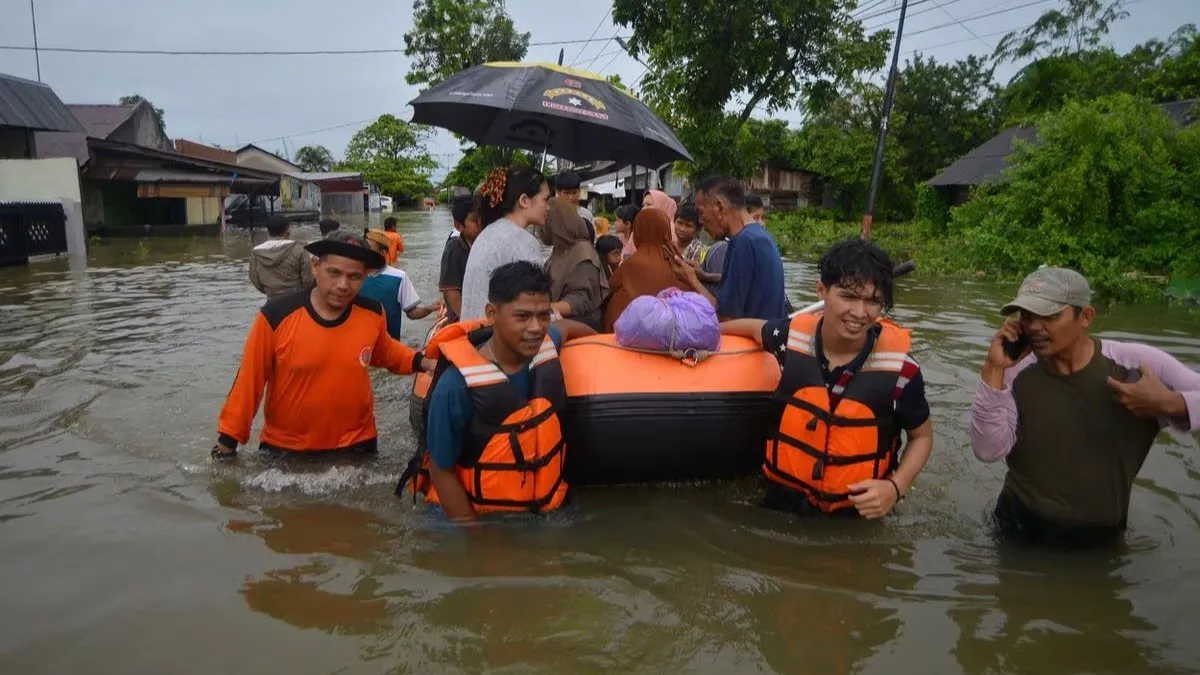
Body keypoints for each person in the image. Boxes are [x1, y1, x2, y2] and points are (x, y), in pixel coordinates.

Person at [969, 267, 1200, 545]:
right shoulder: (1015, 369)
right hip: (1015, 529)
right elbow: (987, 450)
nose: (1034, 327)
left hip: (1099, 540)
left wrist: (1169, 403)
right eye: (1027, 316)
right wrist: (994, 368)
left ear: (1086, 316)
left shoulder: (1135, 365)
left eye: (1049, 316)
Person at [720, 239, 934, 519]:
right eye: (847, 296)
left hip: (856, 517)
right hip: (783, 507)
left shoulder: (902, 371)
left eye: (872, 300)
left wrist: (895, 488)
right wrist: (706, 334)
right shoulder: (789, 339)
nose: (859, 313)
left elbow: (922, 437)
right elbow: (751, 328)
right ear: (821, 290)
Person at [212, 230, 435, 459]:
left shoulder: (373, 313)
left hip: (358, 444)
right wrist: (227, 442)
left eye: (354, 277)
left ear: (365, 276)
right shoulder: (276, 315)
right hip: (287, 450)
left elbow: (386, 351)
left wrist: (425, 362)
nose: (343, 285)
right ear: (315, 266)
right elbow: (249, 381)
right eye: (334, 273)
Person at [409, 261, 597, 521]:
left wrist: (601, 339)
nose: (535, 327)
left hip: (541, 502)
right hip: (474, 512)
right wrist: (473, 533)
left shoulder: (544, 345)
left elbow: (566, 329)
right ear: (492, 313)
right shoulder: (455, 387)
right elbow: (442, 471)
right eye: (522, 317)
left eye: (544, 315)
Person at [670, 175, 787, 321]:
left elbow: (726, 318)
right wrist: (704, 276)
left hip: (751, 342)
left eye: (701, 213)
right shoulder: (758, 235)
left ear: (719, 207)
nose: (700, 220)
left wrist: (691, 279)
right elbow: (748, 283)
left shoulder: (744, 242)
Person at [459, 166, 550, 321]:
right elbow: (535, 302)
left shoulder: (489, 232)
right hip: (495, 335)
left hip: (473, 332)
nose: (548, 207)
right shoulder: (524, 241)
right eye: (545, 200)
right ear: (524, 201)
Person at [602, 207, 680, 332]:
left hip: (626, 333)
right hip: (672, 335)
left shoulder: (630, 265)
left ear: (637, 232)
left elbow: (608, 289)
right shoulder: (679, 263)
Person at [361, 229, 441, 340]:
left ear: (382, 253)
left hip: (389, 345)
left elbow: (412, 312)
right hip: (357, 343)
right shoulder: (354, 274)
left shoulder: (398, 277)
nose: (363, 250)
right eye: (363, 246)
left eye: (368, 247)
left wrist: (429, 309)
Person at [543, 197, 609, 329]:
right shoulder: (561, 248)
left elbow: (579, 300)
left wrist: (544, 308)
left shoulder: (582, 252)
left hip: (579, 326)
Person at [438, 194, 483, 323]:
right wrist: (467, 320)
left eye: (483, 219)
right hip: (461, 318)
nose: (480, 224)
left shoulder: (480, 244)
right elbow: (451, 291)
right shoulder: (455, 248)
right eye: (475, 220)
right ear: (458, 226)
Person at [249, 215, 314, 298]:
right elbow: (308, 279)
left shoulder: (256, 253)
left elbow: (254, 278)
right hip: (296, 299)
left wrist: (268, 291)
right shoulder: (299, 250)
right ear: (288, 230)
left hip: (272, 300)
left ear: (268, 232)